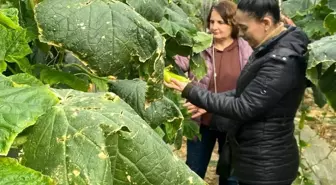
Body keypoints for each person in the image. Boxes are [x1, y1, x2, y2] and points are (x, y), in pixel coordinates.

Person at [166, 0, 309, 185]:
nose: (240, 33)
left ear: (265, 23)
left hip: (265, 166)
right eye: (212, 22)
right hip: (255, 155)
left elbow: (243, 106)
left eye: (243, 27)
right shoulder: (269, 50)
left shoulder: (280, 61)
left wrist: (190, 91)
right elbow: (244, 93)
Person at [174, 0, 252, 184]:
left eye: (220, 22)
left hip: (233, 123)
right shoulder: (199, 46)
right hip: (201, 122)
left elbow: (249, 87)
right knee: (193, 172)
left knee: (230, 176)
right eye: (212, 22)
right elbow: (176, 65)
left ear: (233, 23)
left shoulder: (246, 49)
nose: (214, 27)